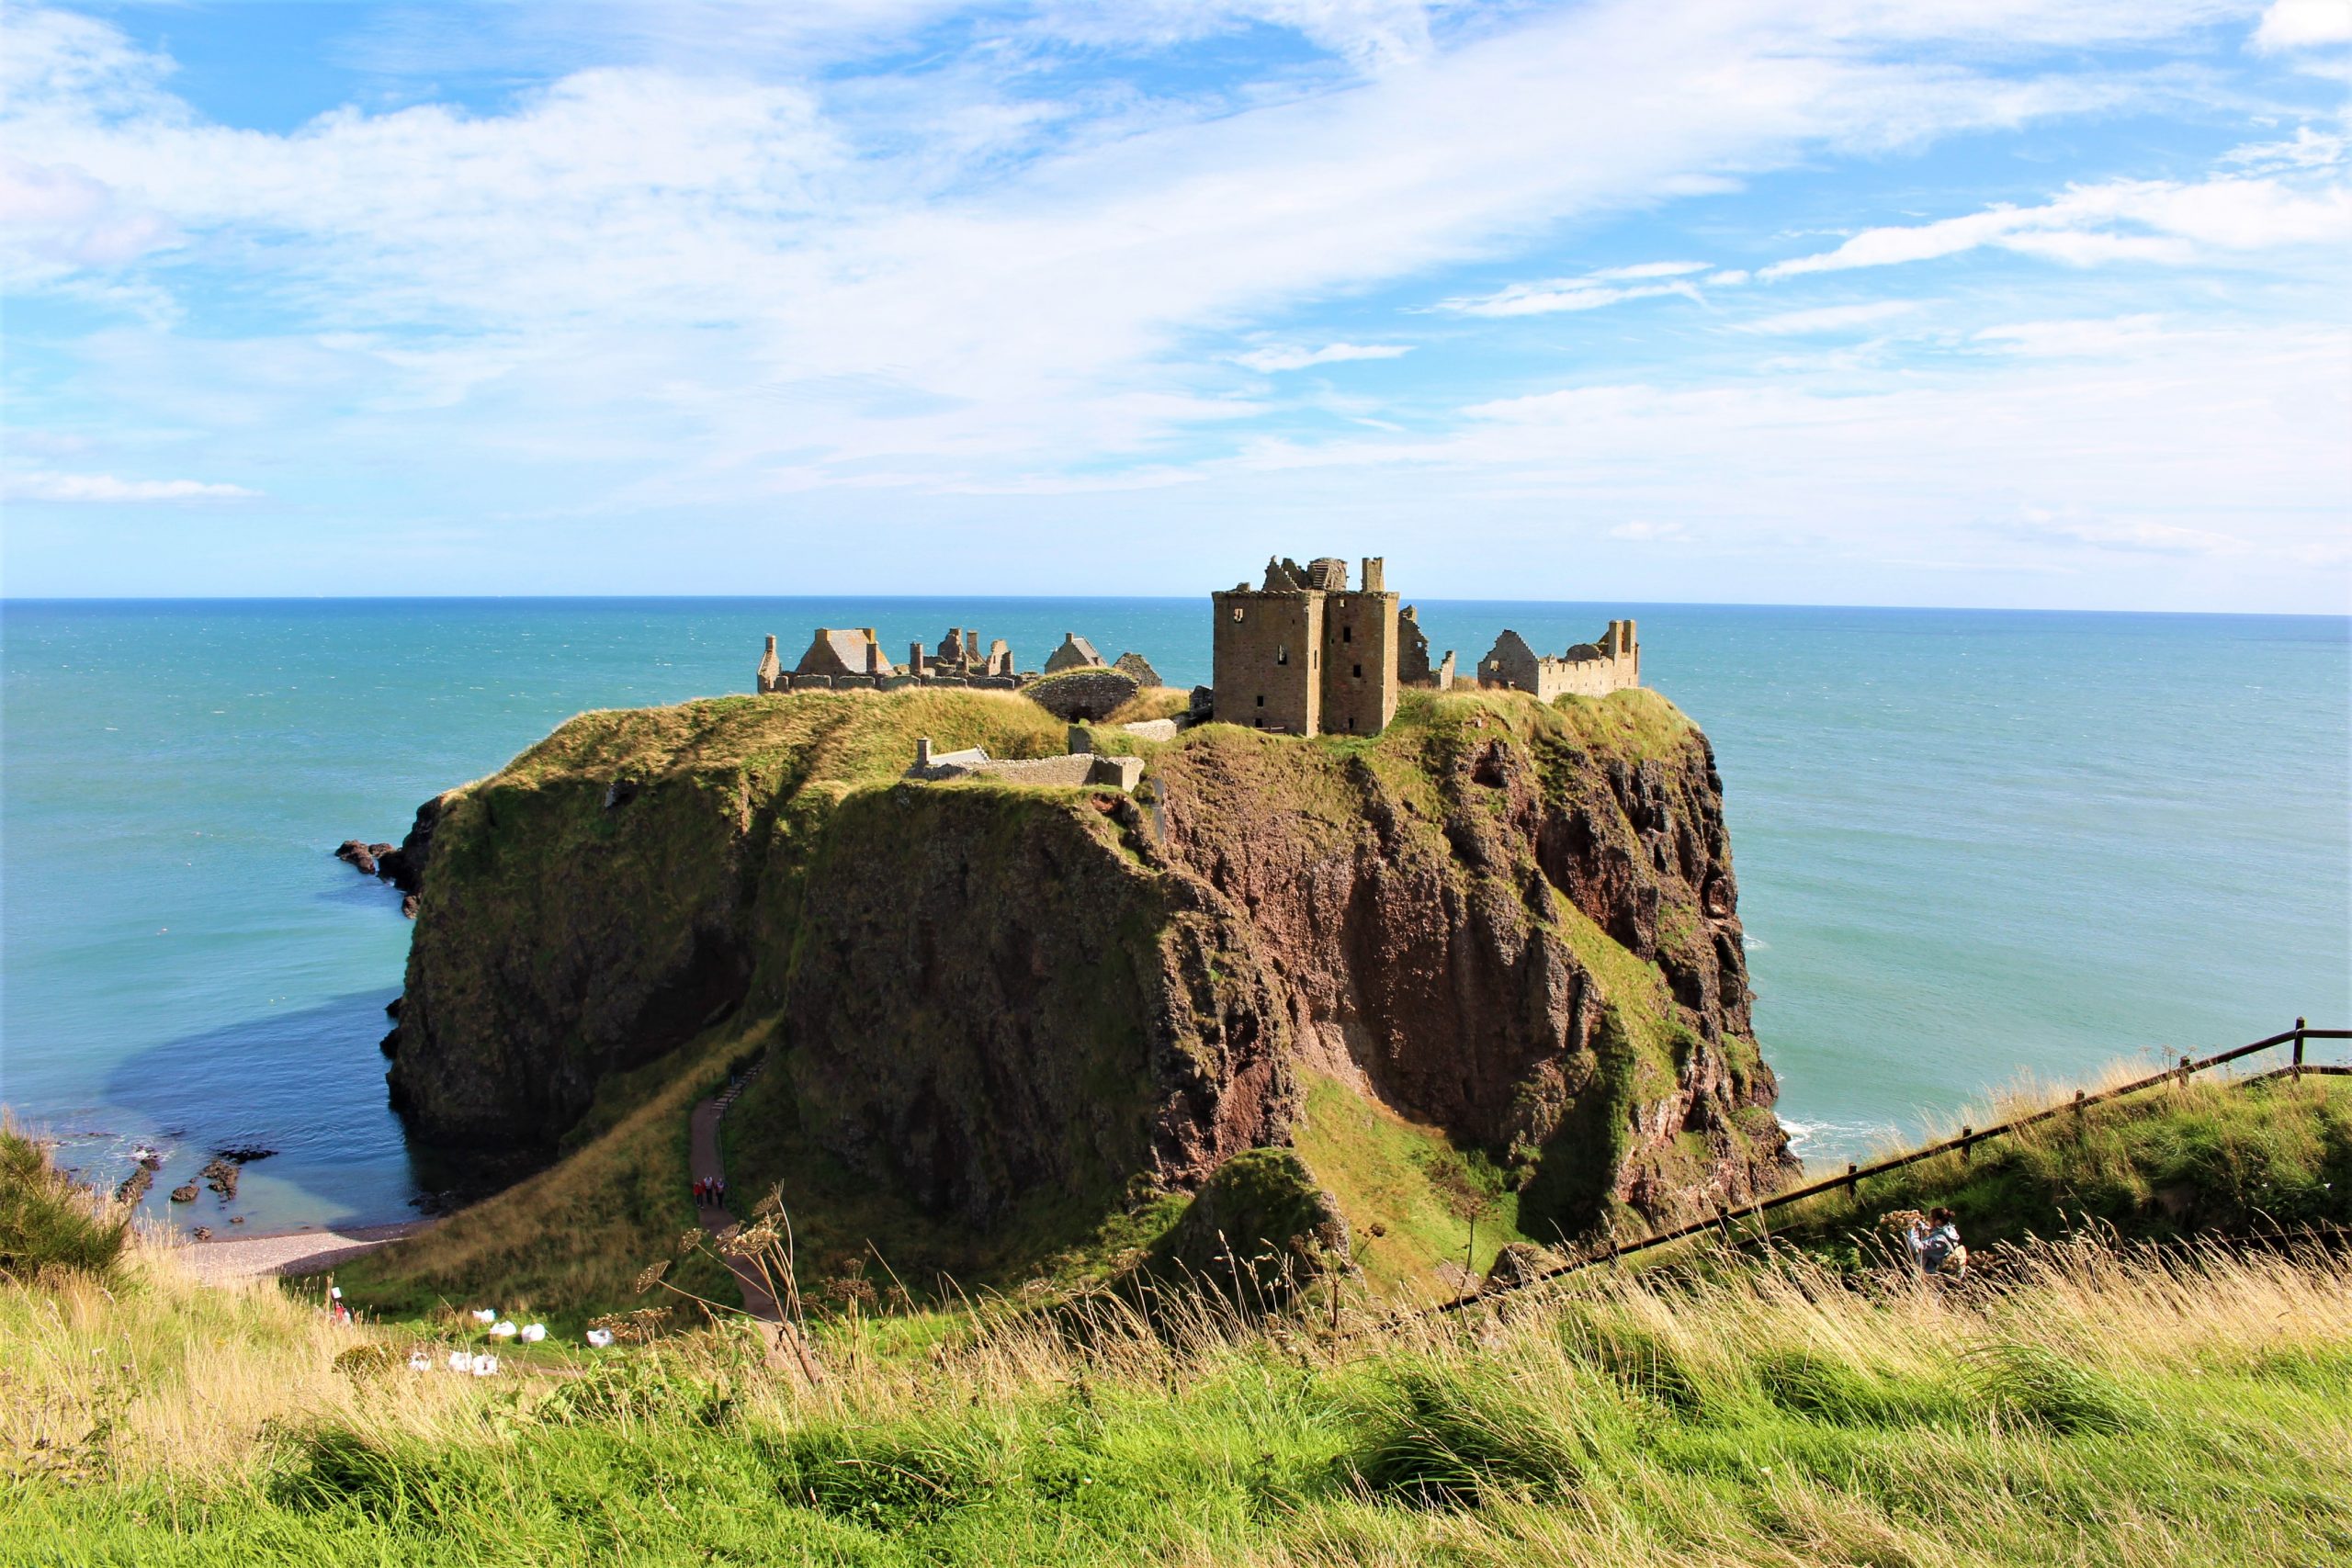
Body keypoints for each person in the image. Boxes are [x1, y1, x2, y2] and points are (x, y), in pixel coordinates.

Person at [1906, 1207, 1966, 1276]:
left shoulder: (1939, 1240)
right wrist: (1920, 1225)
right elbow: (1935, 1231)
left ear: (1938, 1221)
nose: (1928, 1220)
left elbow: (1916, 1248)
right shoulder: (1949, 1231)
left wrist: (1911, 1229)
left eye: (1930, 1218)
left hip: (1933, 1278)